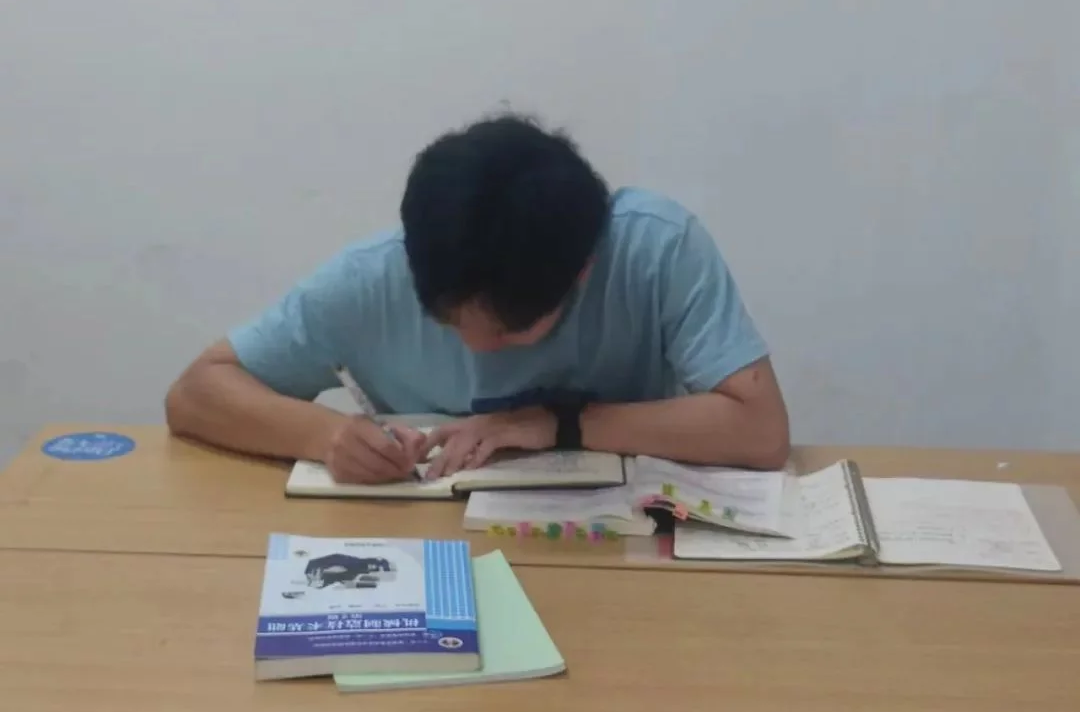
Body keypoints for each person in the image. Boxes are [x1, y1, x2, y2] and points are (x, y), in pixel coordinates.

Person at [165, 114, 789, 483]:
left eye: (508, 331)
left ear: (582, 271)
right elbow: (195, 393)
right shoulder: (374, 277)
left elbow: (761, 432)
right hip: (429, 554)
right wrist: (326, 436)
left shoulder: (656, 248)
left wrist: (559, 425)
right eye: (446, 320)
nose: (475, 347)